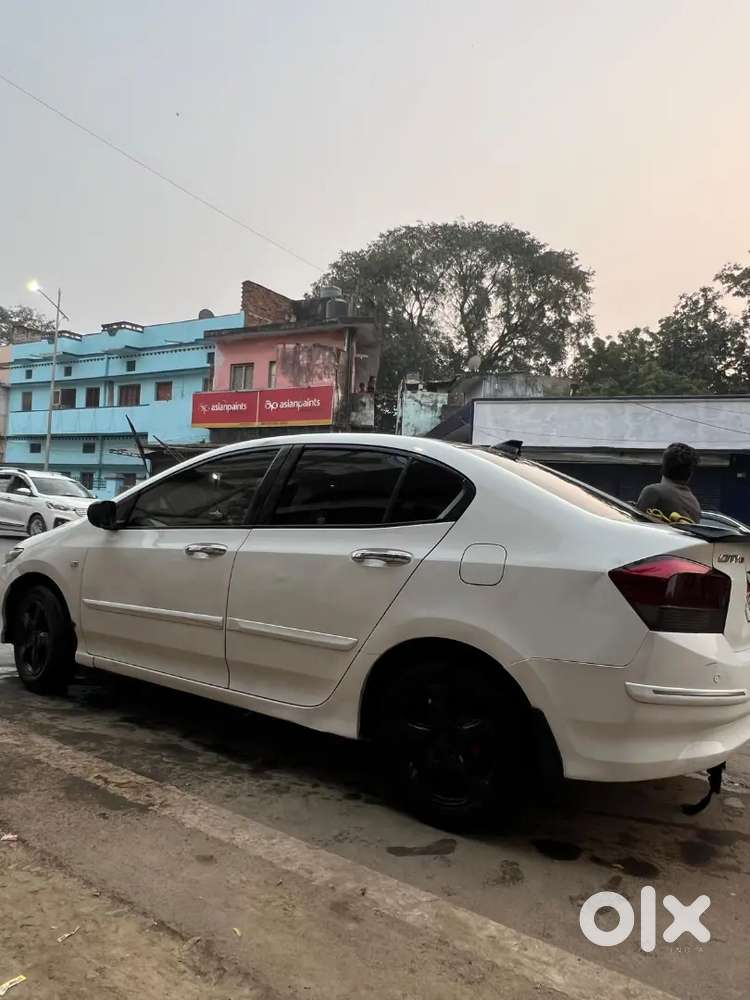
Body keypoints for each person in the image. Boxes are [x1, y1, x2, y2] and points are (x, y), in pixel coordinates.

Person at [636, 442, 701, 523]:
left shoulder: (653, 492)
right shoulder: (694, 503)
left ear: (663, 465)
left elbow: (635, 526)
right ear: (690, 473)